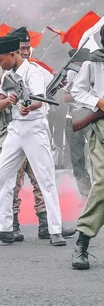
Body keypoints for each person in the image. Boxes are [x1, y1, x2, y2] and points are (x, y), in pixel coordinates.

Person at [0, 27, 72, 241]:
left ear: (13, 54)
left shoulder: (33, 72)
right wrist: (9, 101)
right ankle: (3, 227)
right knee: (1, 176)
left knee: (45, 179)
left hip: (34, 128)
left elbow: (39, 100)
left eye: (1, 60)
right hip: (15, 129)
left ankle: (55, 230)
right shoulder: (8, 75)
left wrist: (28, 106)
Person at [70, 34, 104, 269]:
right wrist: (98, 102)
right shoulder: (93, 61)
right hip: (101, 128)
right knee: (102, 183)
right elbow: (77, 91)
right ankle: (82, 240)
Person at [64, 48, 92, 198]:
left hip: (93, 115)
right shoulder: (71, 73)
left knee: (97, 155)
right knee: (77, 158)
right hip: (74, 116)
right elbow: (66, 97)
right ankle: (85, 192)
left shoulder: (96, 71)